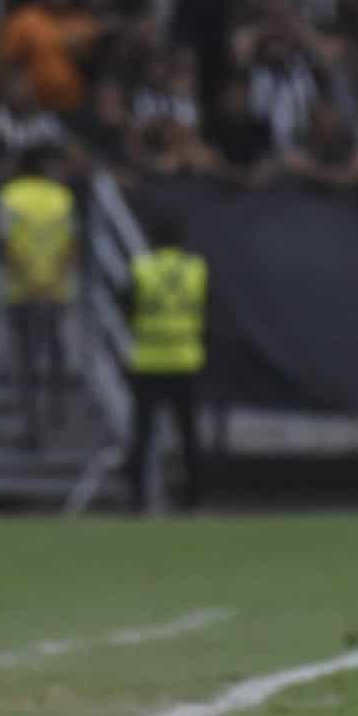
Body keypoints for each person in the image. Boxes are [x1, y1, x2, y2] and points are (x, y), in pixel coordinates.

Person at [124, 216, 208, 514]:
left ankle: (136, 498)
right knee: (188, 434)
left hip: (148, 360)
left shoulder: (142, 268)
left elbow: (128, 309)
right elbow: (206, 311)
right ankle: (193, 498)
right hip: (185, 359)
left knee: (142, 433)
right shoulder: (196, 269)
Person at [0, 149, 75, 447]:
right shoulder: (62, 198)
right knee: (55, 354)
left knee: (26, 362)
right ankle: (57, 416)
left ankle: (31, 427)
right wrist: (55, 280)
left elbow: (6, 243)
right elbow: (70, 245)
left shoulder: (10, 196)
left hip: (22, 291)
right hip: (55, 290)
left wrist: (28, 280)